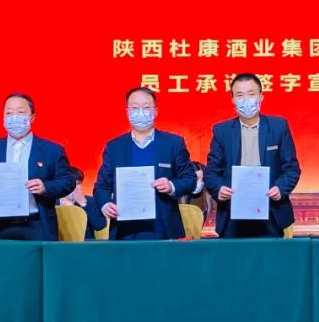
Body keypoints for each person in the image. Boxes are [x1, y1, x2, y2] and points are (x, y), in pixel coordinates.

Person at [204, 72, 301, 238]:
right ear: (232, 99)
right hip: (232, 212)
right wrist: (219, 189)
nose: (246, 100)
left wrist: (280, 188)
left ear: (261, 97)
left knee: (270, 254)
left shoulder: (278, 127)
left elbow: (291, 169)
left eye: (251, 94)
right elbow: (211, 172)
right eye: (240, 95)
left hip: (270, 210)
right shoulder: (222, 131)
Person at [94, 87, 197, 240]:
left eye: (146, 107)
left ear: (155, 111)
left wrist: (171, 185)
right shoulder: (114, 147)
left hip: (163, 228)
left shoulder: (173, 143)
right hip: (125, 230)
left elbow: (190, 179)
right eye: (135, 108)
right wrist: (105, 204)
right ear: (127, 112)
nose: (140, 112)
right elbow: (101, 186)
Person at [0, 93, 76, 241]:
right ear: (3, 117)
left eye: (20, 112)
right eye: (9, 113)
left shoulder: (52, 150)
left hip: (36, 224)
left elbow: (68, 181)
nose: (14, 117)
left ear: (32, 117)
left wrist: (45, 187)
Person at [60, 166, 107, 240]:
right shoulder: (52, 203)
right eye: (71, 184)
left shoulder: (90, 201)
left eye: (78, 184)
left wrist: (83, 204)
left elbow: (100, 225)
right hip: (59, 243)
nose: (75, 187)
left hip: (85, 244)